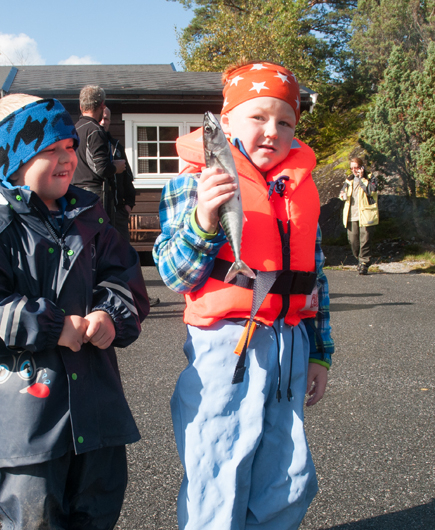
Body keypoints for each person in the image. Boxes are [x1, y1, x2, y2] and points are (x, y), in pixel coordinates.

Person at [0, 94, 150, 530]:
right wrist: (54, 326)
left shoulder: (90, 216)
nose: (66, 158)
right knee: (35, 516)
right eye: (49, 150)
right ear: (13, 162)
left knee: (99, 507)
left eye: (70, 146)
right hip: (30, 422)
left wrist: (109, 314)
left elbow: (124, 274)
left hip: (96, 411)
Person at [153, 61, 333, 530]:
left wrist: (320, 352)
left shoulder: (301, 187)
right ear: (227, 121)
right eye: (258, 117)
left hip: (290, 345)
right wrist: (203, 221)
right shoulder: (193, 181)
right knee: (218, 473)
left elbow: (313, 279)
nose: (273, 131)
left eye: (285, 122)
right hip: (226, 348)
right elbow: (174, 274)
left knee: (288, 479)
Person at [72, 85, 125, 221]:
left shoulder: (74, 130)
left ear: (81, 107)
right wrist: (116, 167)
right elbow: (101, 168)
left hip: (74, 194)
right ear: (102, 105)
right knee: (100, 234)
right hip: (93, 196)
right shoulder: (95, 130)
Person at [99, 107, 136, 242]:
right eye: (100, 118)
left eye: (106, 119)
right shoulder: (87, 145)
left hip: (118, 212)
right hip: (97, 212)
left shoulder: (116, 147)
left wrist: (128, 206)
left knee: (123, 252)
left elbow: (127, 177)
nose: (103, 122)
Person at [339, 157, 379, 274]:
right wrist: (342, 195)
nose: (353, 170)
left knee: (365, 240)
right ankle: (360, 260)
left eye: (356, 167)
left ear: (361, 167)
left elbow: (371, 191)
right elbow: (342, 193)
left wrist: (362, 179)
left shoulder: (370, 177)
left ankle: (364, 263)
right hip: (351, 215)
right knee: (353, 241)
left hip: (366, 214)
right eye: (351, 168)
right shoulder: (349, 180)